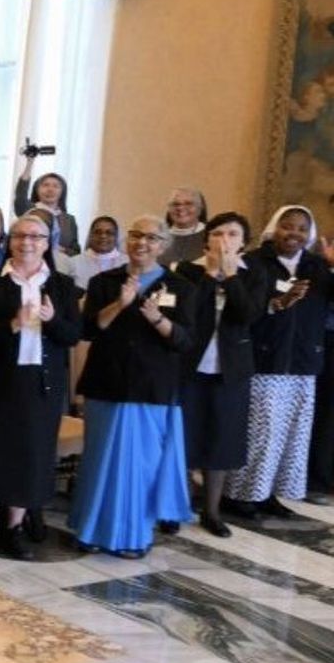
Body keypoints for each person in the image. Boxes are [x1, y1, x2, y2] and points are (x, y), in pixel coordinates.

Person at [0, 216, 83, 562]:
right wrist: (13, 324)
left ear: (47, 243)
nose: (27, 242)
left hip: (41, 385)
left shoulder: (63, 286)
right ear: (11, 241)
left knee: (32, 455)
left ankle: (14, 525)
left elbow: (73, 335)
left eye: (36, 236)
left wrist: (52, 320)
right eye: (21, 235)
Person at [69, 215, 196, 557]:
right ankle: (90, 530)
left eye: (152, 238)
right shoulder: (104, 282)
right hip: (106, 383)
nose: (143, 243)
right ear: (127, 241)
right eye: (137, 235)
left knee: (141, 467)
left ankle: (134, 536)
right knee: (98, 462)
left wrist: (156, 319)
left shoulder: (181, 287)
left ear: (163, 245)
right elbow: (88, 331)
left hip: (152, 389)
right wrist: (120, 304)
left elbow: (185, 341)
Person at [222, 205, 330, 519]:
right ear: (274, 228)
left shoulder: (317, 266)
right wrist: (276, 305)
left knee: (292, 436)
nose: (293, 234)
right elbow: (241, 311)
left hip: (302, 363)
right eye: (287, 226)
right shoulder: (255, 262)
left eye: (300, 228)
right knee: (261, 434)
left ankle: (267, 493)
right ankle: (240, 495)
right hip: (263, 362)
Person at [174, 213, 266, 536]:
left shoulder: (254, 274)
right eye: (218, 233)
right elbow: (188, 314)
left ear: (244, 242)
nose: (225, 239)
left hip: (231, 369)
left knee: (221, 440)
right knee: (183, 437)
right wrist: (211, 276)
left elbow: (249, 315)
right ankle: (177, 506)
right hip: (190, 367)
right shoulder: (187, 270)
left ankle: (211, 512)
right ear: (207, 239)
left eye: (233, 233)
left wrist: (230, 278)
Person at [13, 159, 79, 256]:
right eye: (45, 185)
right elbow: (21, 194)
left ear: (62, 192)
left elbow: (76, 250)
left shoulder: (69, 220)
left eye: (56, 186)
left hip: (60, 265)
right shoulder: (29, 211)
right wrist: (30, 163)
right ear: (37, 189)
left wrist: (63, 251)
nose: (50, 189)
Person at [66, 215, 127, 291]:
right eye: (98, 232)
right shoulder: (73, 263)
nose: (103, 236)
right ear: (90, 235)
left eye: (109, 233)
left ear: (116, 236)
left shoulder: (127, 263)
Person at [158, 186, 208, 266]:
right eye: (175, 204)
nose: (180, 208)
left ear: (200, 208)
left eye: (188, 204)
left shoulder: (211, 236)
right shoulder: (159, 238)